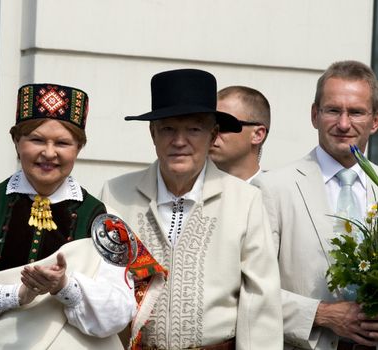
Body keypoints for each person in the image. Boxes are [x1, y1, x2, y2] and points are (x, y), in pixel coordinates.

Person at [0, 83, 136, 349]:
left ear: (79, 148)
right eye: (37, 140)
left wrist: (66, 286)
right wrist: (16, 294)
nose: (49, 153)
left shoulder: (104, 221)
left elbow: (119, 311)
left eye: (62, 143)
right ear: (17, 141)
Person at [101, 68, 283, 349]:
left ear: (212, 136)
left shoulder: (245, 201)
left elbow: (260, 306)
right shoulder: (115, 194)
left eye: (194, 129)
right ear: (153, 134)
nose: (179, 141)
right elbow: (98, 290)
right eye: (168, 129)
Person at [253, 60, 378, 349]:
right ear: (314, 115)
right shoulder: (273, 189)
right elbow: (252, 290)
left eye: (356, 112)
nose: (344, 124)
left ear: (374, 121)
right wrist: (321, 314)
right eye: (333, 110)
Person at [209, 85, 270, 182]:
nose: (212, 133)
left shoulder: (277, 194)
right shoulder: (186, 190)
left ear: (257, 135)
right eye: (208, 124)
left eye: (224, 125)